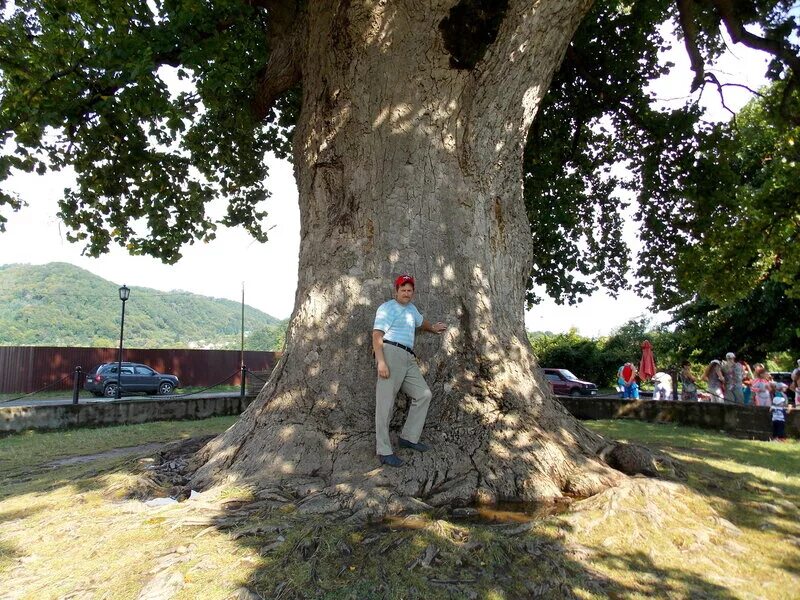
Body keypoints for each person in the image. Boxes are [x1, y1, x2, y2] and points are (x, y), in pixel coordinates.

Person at [372, 274, 447, 468]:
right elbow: (377, 335)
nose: (406, 293)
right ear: (396, 291)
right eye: (403, 290)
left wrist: (434, 328)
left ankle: (408, 438)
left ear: (413, 293)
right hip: (391, 353)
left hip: (408, 357)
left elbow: (421, 323)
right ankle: (384, 450)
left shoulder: (412, 309)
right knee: (385, 403)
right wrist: (381, 362)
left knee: (424, 394)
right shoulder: (387, 308)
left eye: (409, 290)